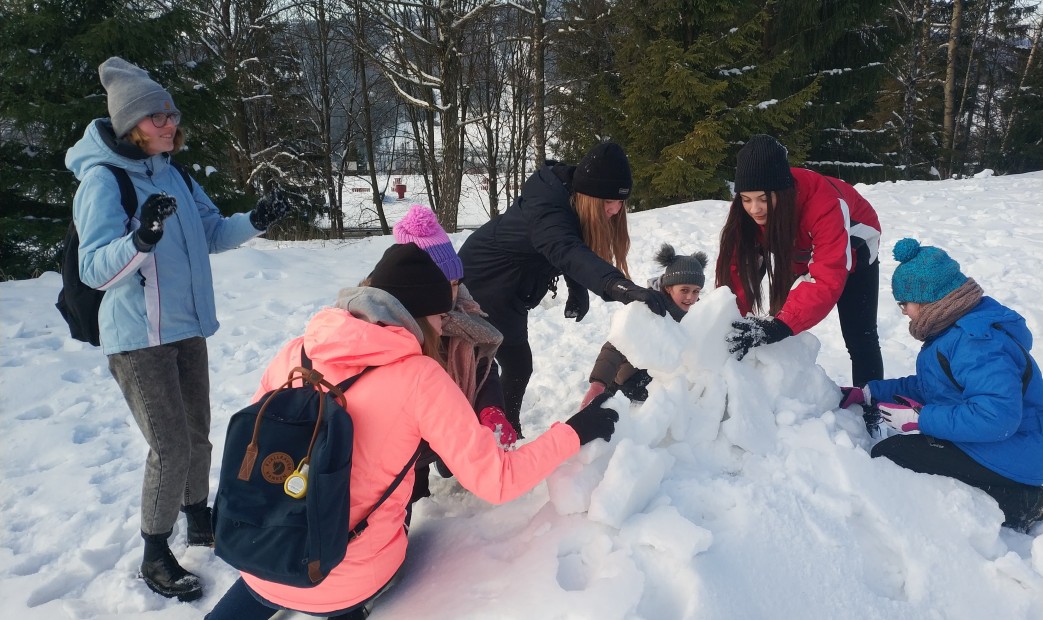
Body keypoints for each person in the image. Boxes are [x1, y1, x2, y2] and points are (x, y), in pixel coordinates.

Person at [205, 243, 620, 619]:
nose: (443, 327)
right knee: (352, 567)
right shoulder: (419, 377)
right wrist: (573, 432)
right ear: (416, 315)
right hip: (349, 577)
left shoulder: (296, 351)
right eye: (441, 316)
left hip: (260, 552)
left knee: (271, 583)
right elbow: (497, 481)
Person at [66, 57, 291, 601]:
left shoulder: (174, 173)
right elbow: (94, 268)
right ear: (129, 125)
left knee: (197, 435)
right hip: (137, 337)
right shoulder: (103, 181)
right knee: (168, 446)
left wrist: (257, 219)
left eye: (170, 114)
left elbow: (211, 232)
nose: (168, 124)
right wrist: (142, 237)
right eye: (155, 117)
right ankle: (155, 549)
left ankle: (199, 516)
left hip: (186, 327)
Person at [459, 142, 670, 436]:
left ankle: (501, 430)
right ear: (589, 196)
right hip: (484, 281)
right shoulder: (546, 210)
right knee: (484, 368)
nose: (615, 209)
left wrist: (578, 290)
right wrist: (617, 285)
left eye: (621, 201)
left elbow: (571, 247)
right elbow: (566, 249)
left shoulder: (570, 197)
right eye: (609, 201)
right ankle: (467, 439)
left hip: (511, 288)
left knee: (510, 365)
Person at [841, 238, 1043, 531]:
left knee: (893, 455)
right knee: (894, 451)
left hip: (1018, 449)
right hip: (998, 440)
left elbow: (997, 418)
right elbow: (936, 388)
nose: (903, 312)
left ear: (927, 300)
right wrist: (871, 391)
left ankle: (1023, 502)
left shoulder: (976, 343)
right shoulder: (953, 332)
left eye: (904, 303)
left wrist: (921, 419)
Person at [716, 134, 883, 387]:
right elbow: (737, 268)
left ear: (782, 193)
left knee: (860, 335)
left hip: (854, 246)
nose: (754, 209)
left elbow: (827, 275)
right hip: (797, 246)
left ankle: (873, 402)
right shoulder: (746, 211)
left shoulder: (824, 205)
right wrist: (732, 321)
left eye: (763, 199)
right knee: (783, 317)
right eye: (746, 199)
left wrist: (781, 326)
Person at [391, 204, 515, 501]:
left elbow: (483, 365)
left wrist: (490, 408)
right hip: (404, 442)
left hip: (450, 419)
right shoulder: (391, 327)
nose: (451, 295)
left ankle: (450, 454)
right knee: (408, 495)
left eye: (455, 283)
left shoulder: (462, 315)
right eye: (439, 285)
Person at [580, 243, 708, 408]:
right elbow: (614, 347)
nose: (691, 297)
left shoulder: (698, 312)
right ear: (669, 288)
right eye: (684, 290)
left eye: (696, 291)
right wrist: (599, 383)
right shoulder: (649, 309)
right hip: (631, 378)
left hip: (668, 373)